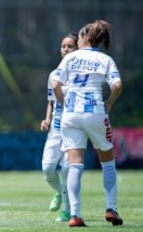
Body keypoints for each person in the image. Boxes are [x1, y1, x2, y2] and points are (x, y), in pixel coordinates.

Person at [52, 19, 123, 227]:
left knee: (75, 165)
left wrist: (64, 103)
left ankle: (74, 214)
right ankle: (111, 208)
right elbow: (117, 84)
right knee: (108, 162)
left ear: (85, 38)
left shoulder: (70, 58)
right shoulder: (105, 59)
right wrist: (109, 101)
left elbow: (56, 83)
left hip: (71, 115)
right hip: (95, 113)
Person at [40, 32, 78, 222]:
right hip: (55, 129)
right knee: (47, 168)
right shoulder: (54, 75)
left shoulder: (80, 76)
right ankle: (58, 192)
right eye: (63, 46)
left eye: (70, 46)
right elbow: (51, 102)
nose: (65, 49)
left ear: (77, 49)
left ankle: (67, 210)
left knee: (65, 170)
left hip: (72, 128)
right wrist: (46, 119)